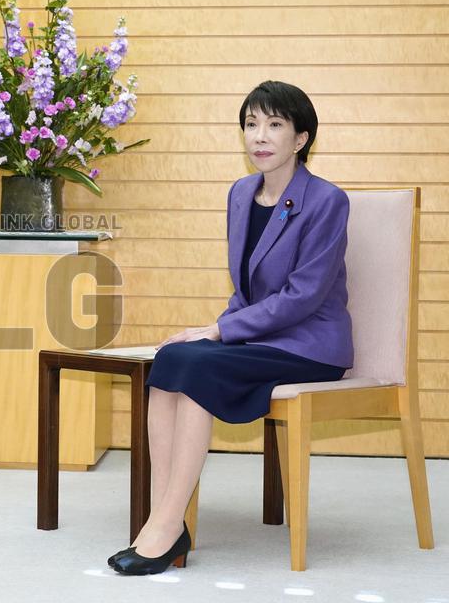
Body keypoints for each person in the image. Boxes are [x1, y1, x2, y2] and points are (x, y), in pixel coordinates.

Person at [108, 81, 352, 575]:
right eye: (251, 124)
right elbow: (244, 285)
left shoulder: (327, 201)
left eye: (275, 125)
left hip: (311, 343)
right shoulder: (241, 193)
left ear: (300, 139)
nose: (260, 136)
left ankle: (165, 527)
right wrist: (218, 327)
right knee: (172, 356)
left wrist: (220, 332)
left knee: (199, 367)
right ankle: (164, 521)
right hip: (262, 336)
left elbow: (303, 297)